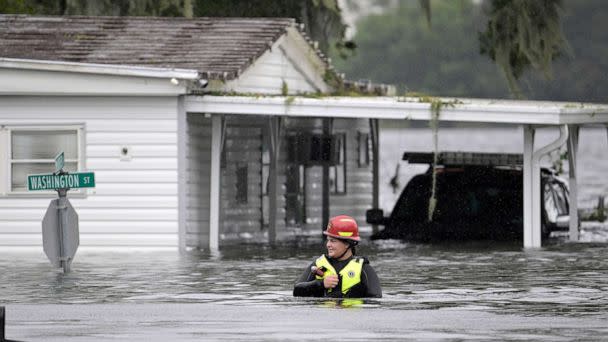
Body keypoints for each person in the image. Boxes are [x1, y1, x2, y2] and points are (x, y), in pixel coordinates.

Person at [293, 215, 382, 298]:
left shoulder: (364, 269)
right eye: (328, 240)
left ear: (347, 244)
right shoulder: (318, 265)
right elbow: (296, 291)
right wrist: (321, 284)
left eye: (333, 241)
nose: (328, 245)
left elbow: (376, 299)